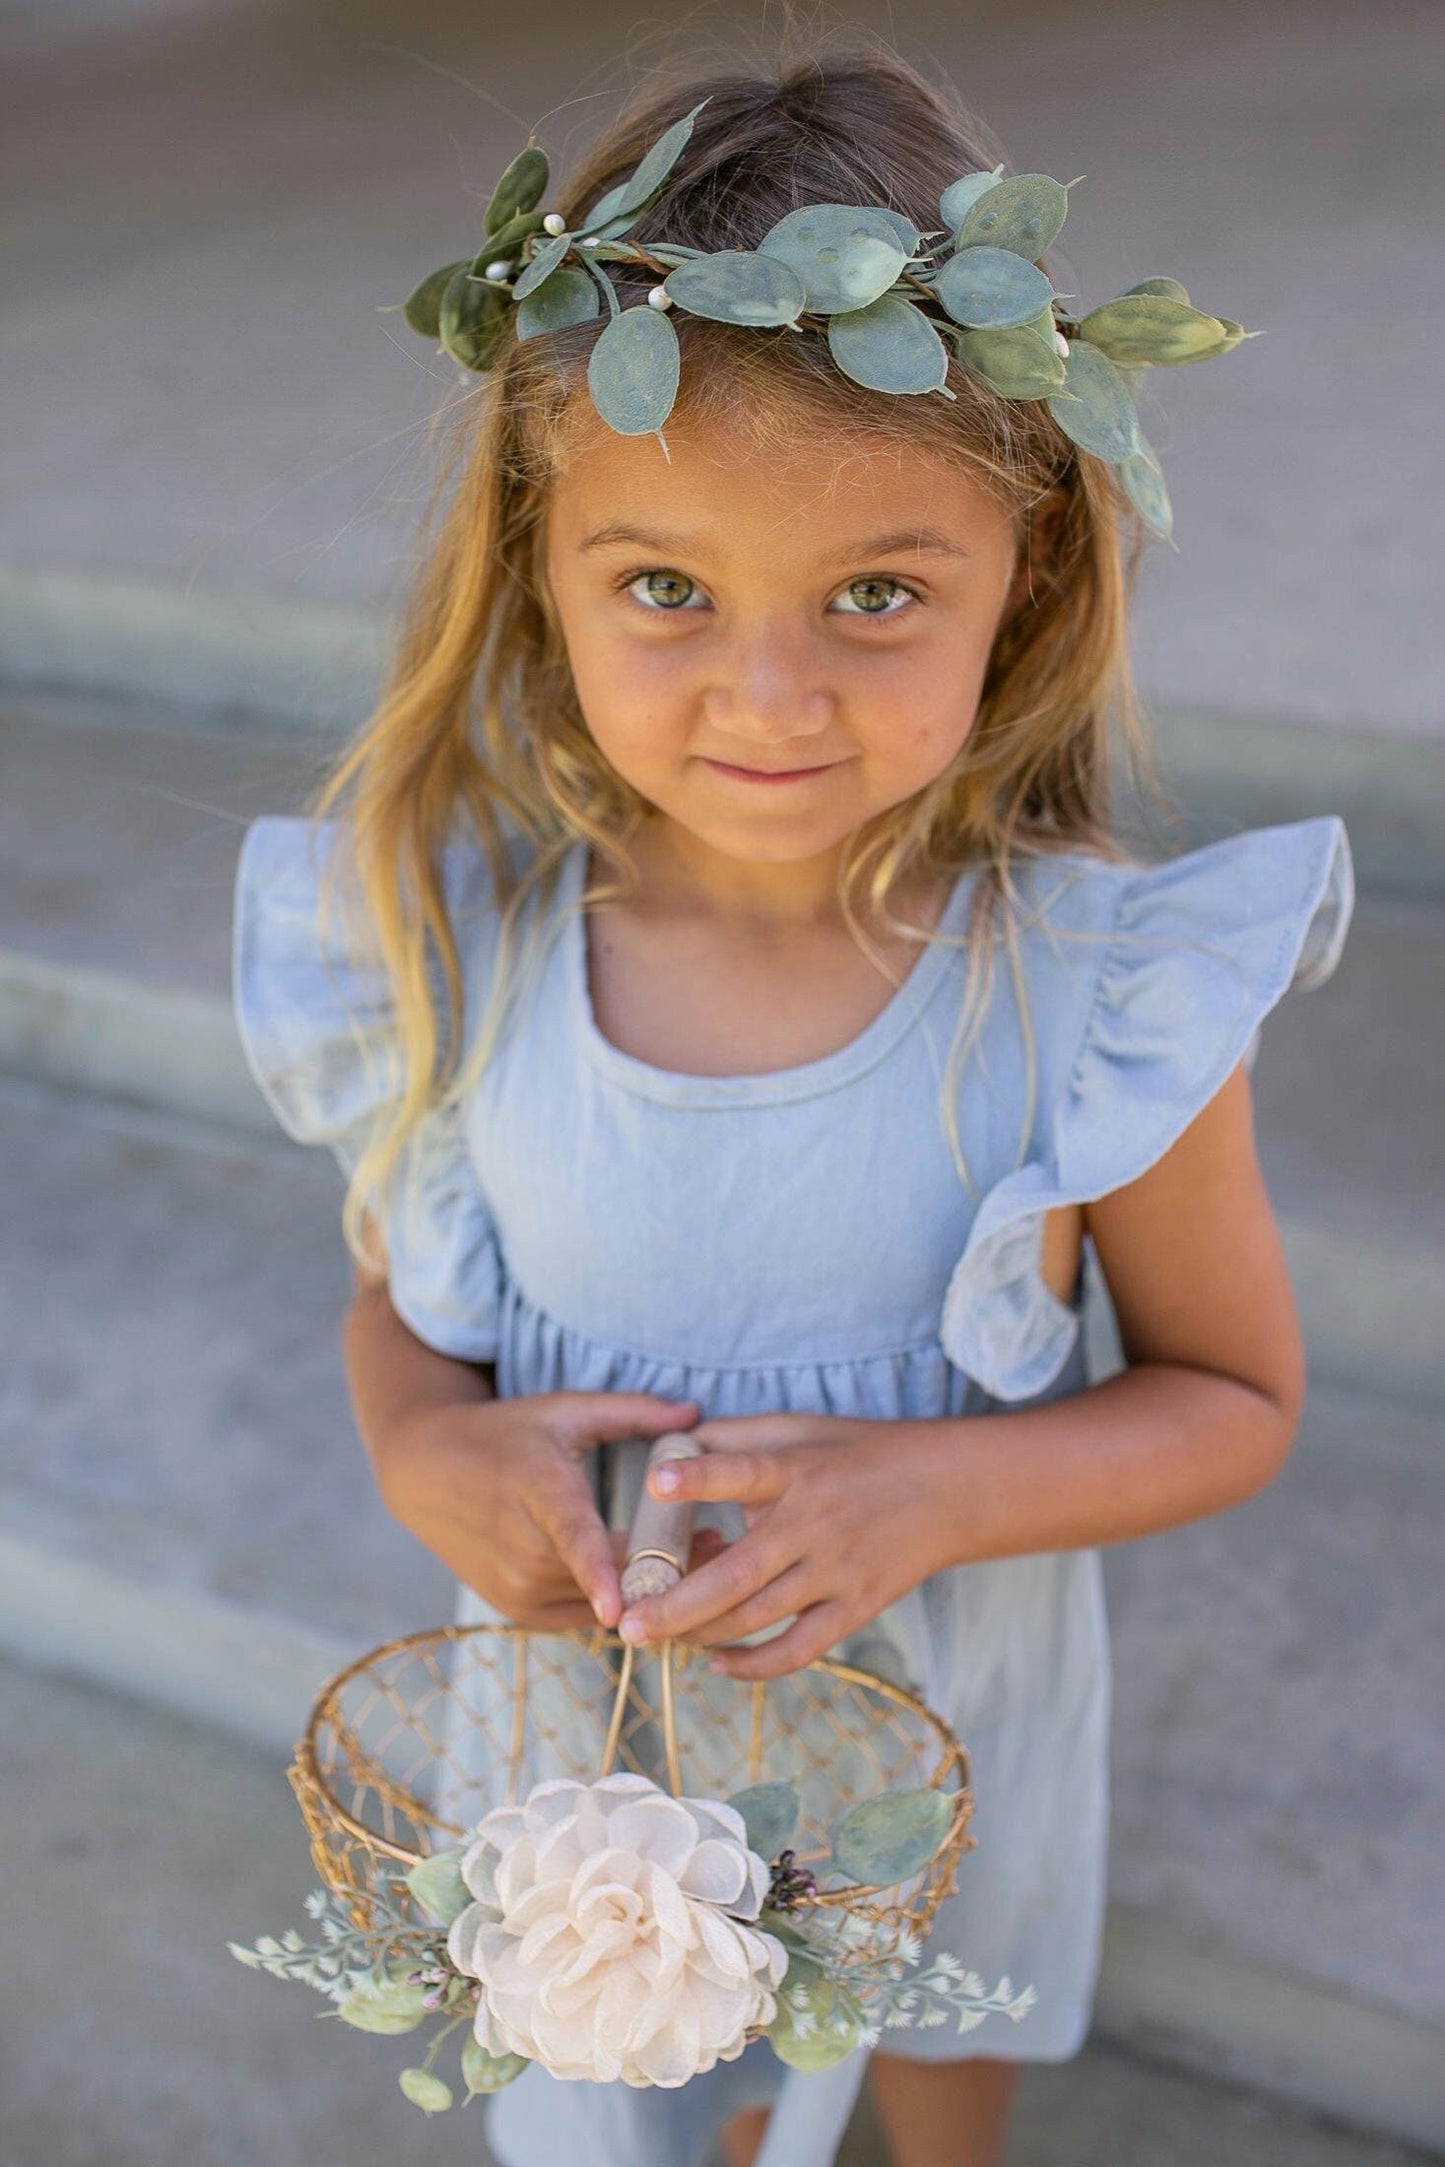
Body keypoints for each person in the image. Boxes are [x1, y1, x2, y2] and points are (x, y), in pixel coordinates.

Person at [230, 44, 1354, 2167]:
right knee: (648, 2100)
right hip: (596, 1746)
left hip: (946, 1710)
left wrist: (929, 1498)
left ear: (1024, 572)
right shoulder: (446, 959)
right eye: (668, 587)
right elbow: (409, 1312)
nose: (769, 691)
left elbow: (1237, 1393)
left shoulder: (1090, 997)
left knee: (935, 2027)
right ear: (542, 581)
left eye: (875, 594)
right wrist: (421, 1441)